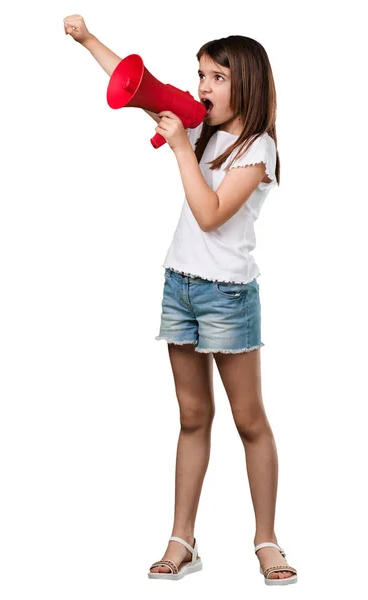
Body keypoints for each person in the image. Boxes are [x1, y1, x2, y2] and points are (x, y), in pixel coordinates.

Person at [63, 15, 298, 586]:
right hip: (180, 287)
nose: (202, 87)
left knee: (248, 421)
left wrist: (179, 150)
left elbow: (211, 213)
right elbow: (139, 86)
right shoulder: (198, 127)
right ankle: (182, 538)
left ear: (247, 83)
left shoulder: (256, 147)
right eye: (200, 75)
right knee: (193, 417)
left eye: (217, 76)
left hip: (228, 295)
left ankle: (266, 539)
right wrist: (88, 39)